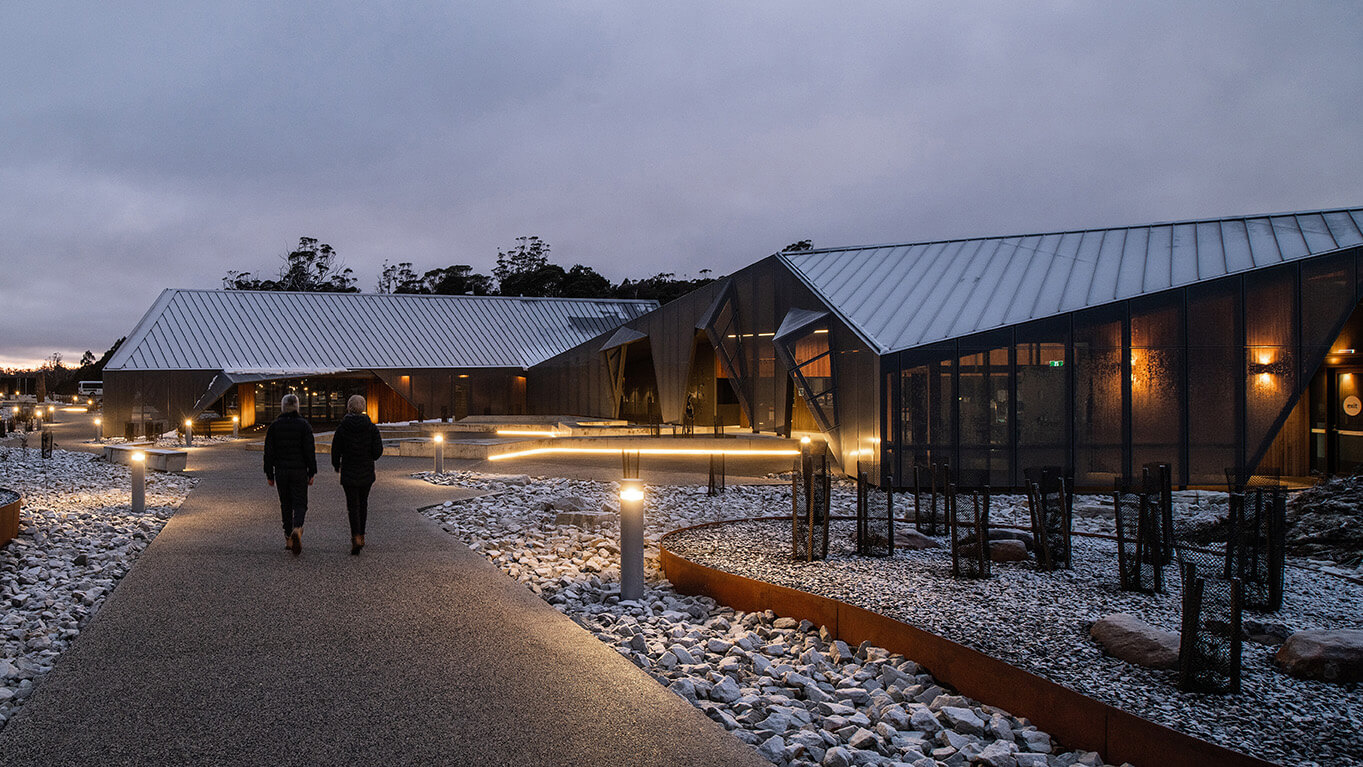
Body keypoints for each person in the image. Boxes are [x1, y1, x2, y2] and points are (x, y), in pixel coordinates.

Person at [264, 393, 316, 556]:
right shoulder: (304, 426)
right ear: (297, 407)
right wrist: (311, 471)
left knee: (285, 503)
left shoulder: (274, 426)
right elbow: (309, 450)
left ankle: (288, 537)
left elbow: (269, 452)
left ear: (283, 407)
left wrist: (269, 474)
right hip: (299, 470)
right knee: (300, 503)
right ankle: (297, 527)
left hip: (281, 471)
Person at [331, 394, 383, 555]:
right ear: (363, 408)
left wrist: (336, 465)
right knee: (363, 503)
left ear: (348, 407)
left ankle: (355, 536)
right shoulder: (371, 427)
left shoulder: (343, 427)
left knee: (352, 506)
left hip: (349, 470)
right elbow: (378, 450)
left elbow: (335, 449)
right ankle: (362, 534)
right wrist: (370, 457)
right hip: (366, 470)